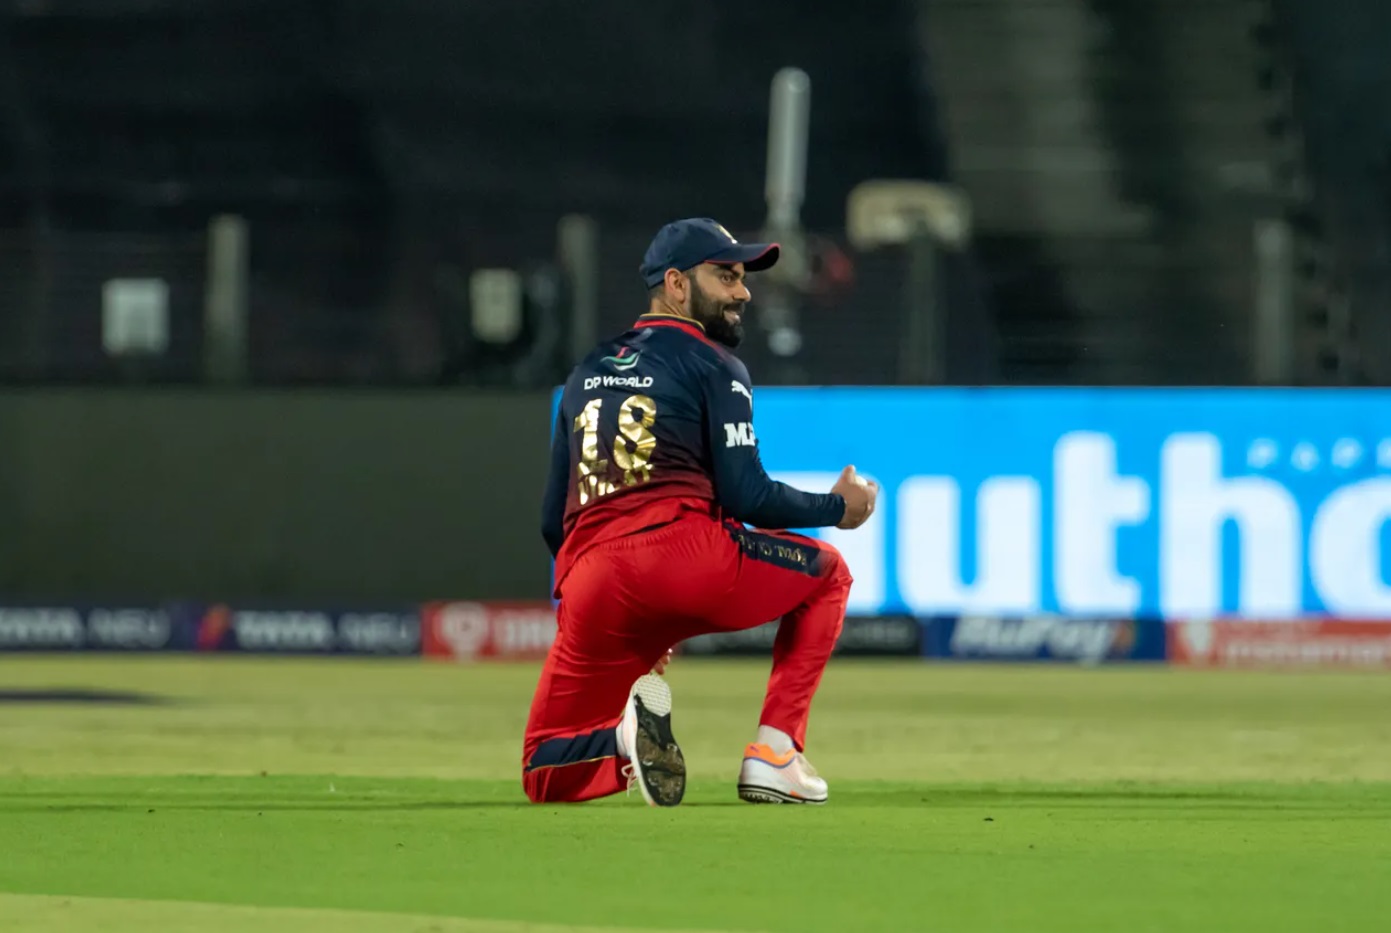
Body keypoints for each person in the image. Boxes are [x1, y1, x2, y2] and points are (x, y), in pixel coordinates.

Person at [521, 217, 878, 807]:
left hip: (590, 582)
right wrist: (839, 507)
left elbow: (550, 521)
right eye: (726, 277)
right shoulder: (715, 366)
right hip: (684, 559)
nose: (743, 292)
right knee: (828, 574)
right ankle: (775, 755)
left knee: (543, 767)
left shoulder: (584, 372)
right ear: (677, 285)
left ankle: (622, 739)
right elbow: (748, 497)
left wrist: (609, 615)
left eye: (741, 278)